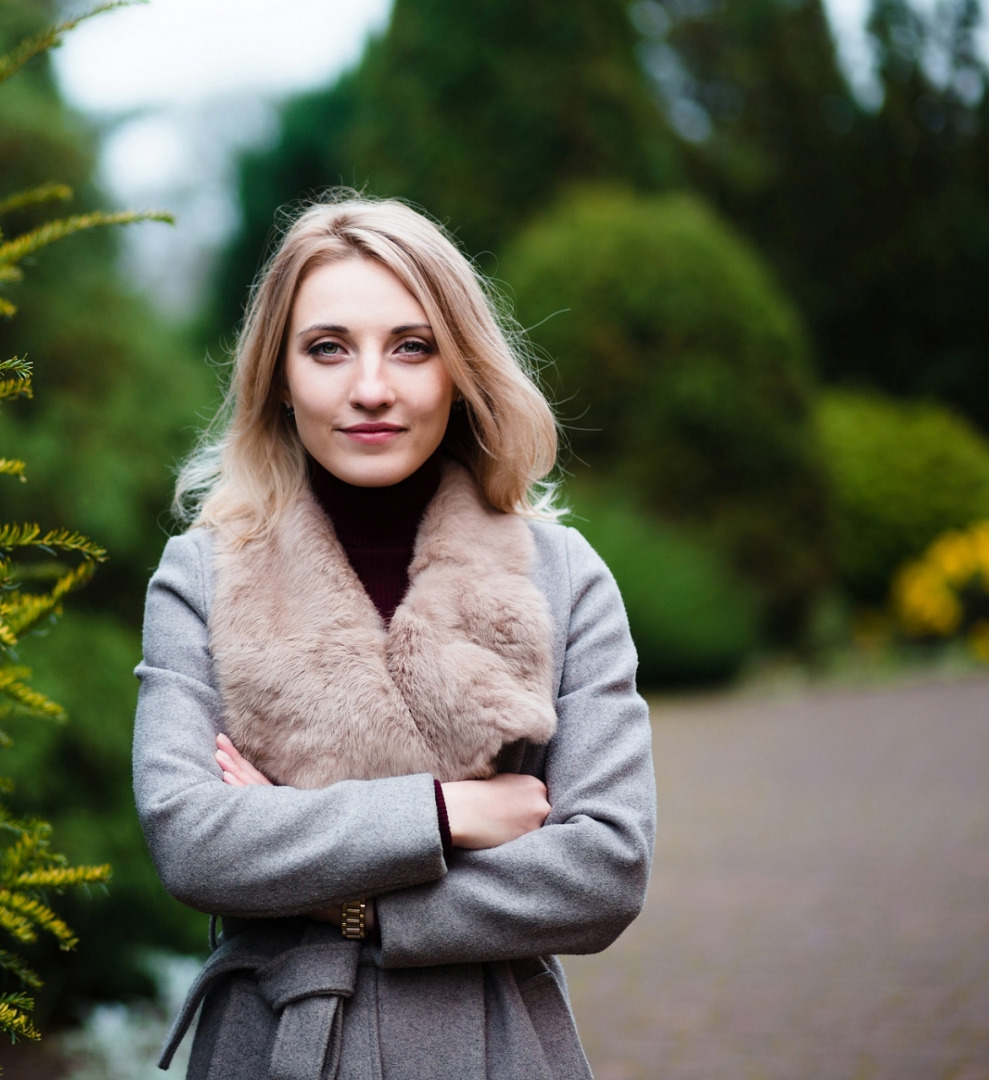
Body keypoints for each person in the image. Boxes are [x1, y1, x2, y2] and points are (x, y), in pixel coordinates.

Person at [132, 194, 655, 1079]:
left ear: (458, 369)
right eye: (327, 347)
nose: (369, 387)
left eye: (410, 347)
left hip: (491, 1045)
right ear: (277, 374)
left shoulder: (562, 575)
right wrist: (446, 814)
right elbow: (192, 838)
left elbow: (604, 868)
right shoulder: (201, 574)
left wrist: (341, 899)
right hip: (270, 1045)